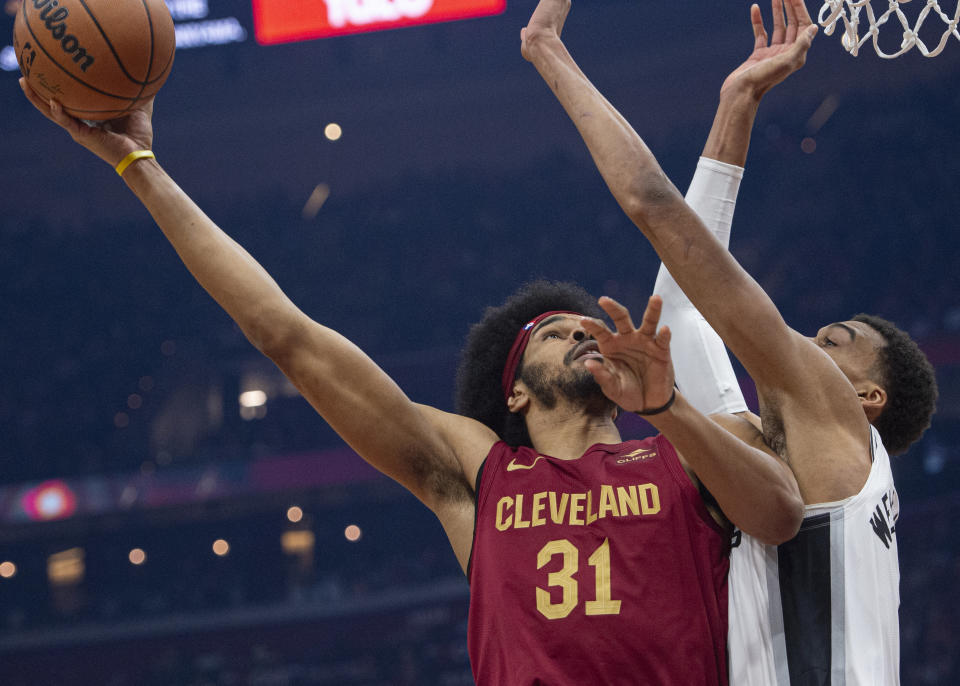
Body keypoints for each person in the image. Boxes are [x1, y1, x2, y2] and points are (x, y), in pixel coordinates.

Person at [19, 52, 804, 685]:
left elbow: (779, 514)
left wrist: (669, 408)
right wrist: (140, 165)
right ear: (516, 392)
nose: (585, 333)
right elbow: (286, 336)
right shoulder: (480, 476)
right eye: (556, 332)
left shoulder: (684, 447)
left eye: (590, 326)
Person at [521, 0, 939, 684]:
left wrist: (550, 53)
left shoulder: (827, 420)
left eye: (832, 342)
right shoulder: (770, 455)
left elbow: (656, 208)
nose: (801, 342)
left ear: (865, 398)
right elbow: (682, 311)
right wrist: (737, 102)